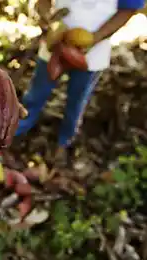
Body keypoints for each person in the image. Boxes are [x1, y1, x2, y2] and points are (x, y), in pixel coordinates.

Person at [15, 0, 144, 162]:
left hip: (92, 51)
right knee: (36, 94)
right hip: (55, 42)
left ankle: (65, 142)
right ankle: (15, 132)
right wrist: (47, 18)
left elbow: (128, 10)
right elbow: (43, 2)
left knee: (77, 101)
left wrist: (94, 38)